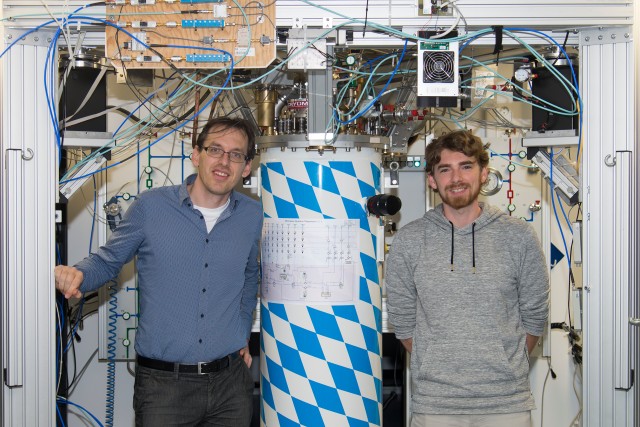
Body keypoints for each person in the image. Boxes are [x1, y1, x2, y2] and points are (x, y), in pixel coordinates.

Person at [55, 117, 263, 426]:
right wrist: (78, 274)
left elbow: (249, 276)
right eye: (215, 149)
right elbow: (109, 260)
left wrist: (242, 332)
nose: (224, 161)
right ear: (196, 155)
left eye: (236, 154)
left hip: (231, 387)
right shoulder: (151, 208)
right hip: (165, 388)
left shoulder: (253, 215)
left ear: (246, 167)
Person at [385, 130, 549, 427]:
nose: (456, 178)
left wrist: (501, 361)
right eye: (445, 169)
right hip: (435, 405)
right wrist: (436, 359)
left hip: (506, 404)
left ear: (484, 174)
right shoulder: (409, 240)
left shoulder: (518, 236)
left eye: (466, 166)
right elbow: (403, 320)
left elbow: (535, 315)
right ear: (432, 180)